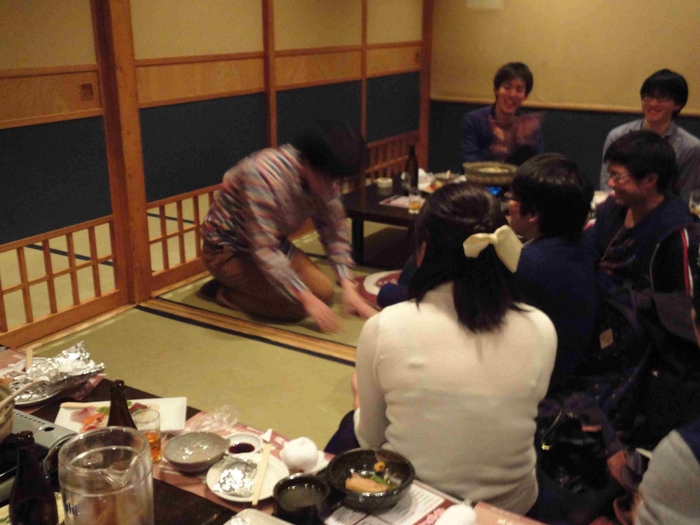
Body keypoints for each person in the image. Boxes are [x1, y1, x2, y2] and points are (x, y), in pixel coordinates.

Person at [352, 183, 557, 514]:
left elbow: (371, 440)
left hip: (417, 502)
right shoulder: (541, 327)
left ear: (423, 250)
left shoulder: (384, 327)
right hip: (512, 506)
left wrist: (359, 400)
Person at [200, 121, 376, 333]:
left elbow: (334, 231)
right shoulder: (262, 174)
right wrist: (306, 299)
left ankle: (248, 285)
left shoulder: (323, 177)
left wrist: (348, 286)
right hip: (228, 250)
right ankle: (224, 293)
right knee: (296, 307)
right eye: (328, 178)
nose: (333, 185)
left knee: (324, 292)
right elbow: (264, 250)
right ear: (307, 162)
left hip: (274, 244)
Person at [507, 153, 596, 395]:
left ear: (532, 214)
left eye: (512, 197)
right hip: (571, 374)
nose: (508, 204)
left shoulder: (528, 265)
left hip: (539, 388)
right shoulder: (585, 246)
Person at [587, 130, 696, 296]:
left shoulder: (673, 230)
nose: (610, 183)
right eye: (610, 175)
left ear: (650, 180)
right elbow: (587, 253)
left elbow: (678, 302)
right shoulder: (611, 207)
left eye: (617, 176)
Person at [599, 69, 700, 202]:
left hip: (666, 211)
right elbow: (607, 185)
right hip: (619, 207)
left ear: (678, 104)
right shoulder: (618, 135)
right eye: (648, 96)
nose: (652, 103)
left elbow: (685, 195)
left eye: (662, 97)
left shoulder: (690, 147)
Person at [461, 62, 544, 166]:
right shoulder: (474, 120)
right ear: (496, 90)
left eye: (519, 90)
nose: (512, 94)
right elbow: (467, 161)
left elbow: (538, 166)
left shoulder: (529, 125)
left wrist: (524, 145)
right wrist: (494, 150)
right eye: (507, 87)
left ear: (525, 96)